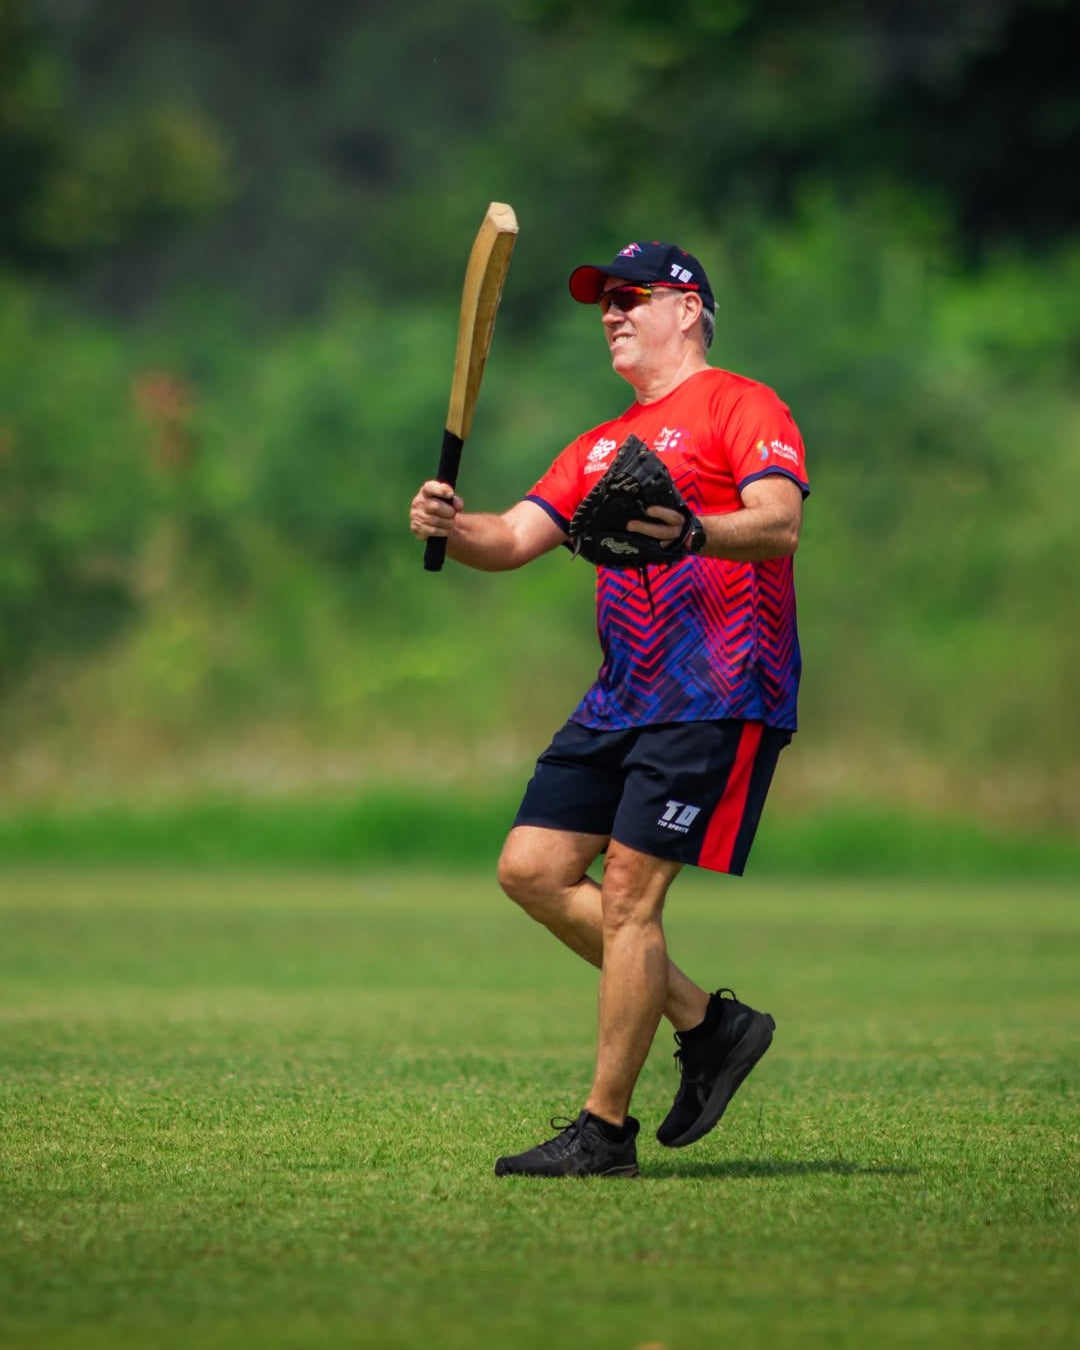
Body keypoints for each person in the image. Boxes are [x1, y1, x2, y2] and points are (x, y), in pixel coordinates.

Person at [409, 240, 809, 1178]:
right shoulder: (598, 444)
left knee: (630, 896)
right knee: (532, 868)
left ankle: (605, 1133)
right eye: (604, 302)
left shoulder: (741, 404)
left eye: (632, 297)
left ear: (689, 309)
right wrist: (448, 523)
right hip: (621, 694)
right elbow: (511, 537)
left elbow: (780, 520)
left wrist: (692, 529)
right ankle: (710, 1026)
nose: (613, 314)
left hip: (716, 688)